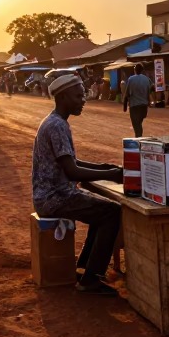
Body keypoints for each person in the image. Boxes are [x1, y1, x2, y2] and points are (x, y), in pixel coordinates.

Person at [33, 74, 124, 295]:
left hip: (52, 194)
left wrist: (104, 167)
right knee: (112, 212)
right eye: (78, 96)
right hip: (54, 197)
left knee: (100, 210)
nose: (83, 100)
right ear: (63, 97)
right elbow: (72, 170)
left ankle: (85, 268)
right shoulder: (57, 125)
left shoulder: (55, 121)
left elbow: (70, 161)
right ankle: (91, 278)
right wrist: (111, 175)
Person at [123, 63, 152, 137]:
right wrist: (149, 103)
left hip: (134, 106)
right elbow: (149, 92)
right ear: (142, 70)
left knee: (136, 124)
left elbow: (127, 94)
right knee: (139, 123)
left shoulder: (131, 79)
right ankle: (139, 136)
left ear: (135, 70)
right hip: (143, 106)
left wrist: (125, 105)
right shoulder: (147, 79)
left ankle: (138, 138)